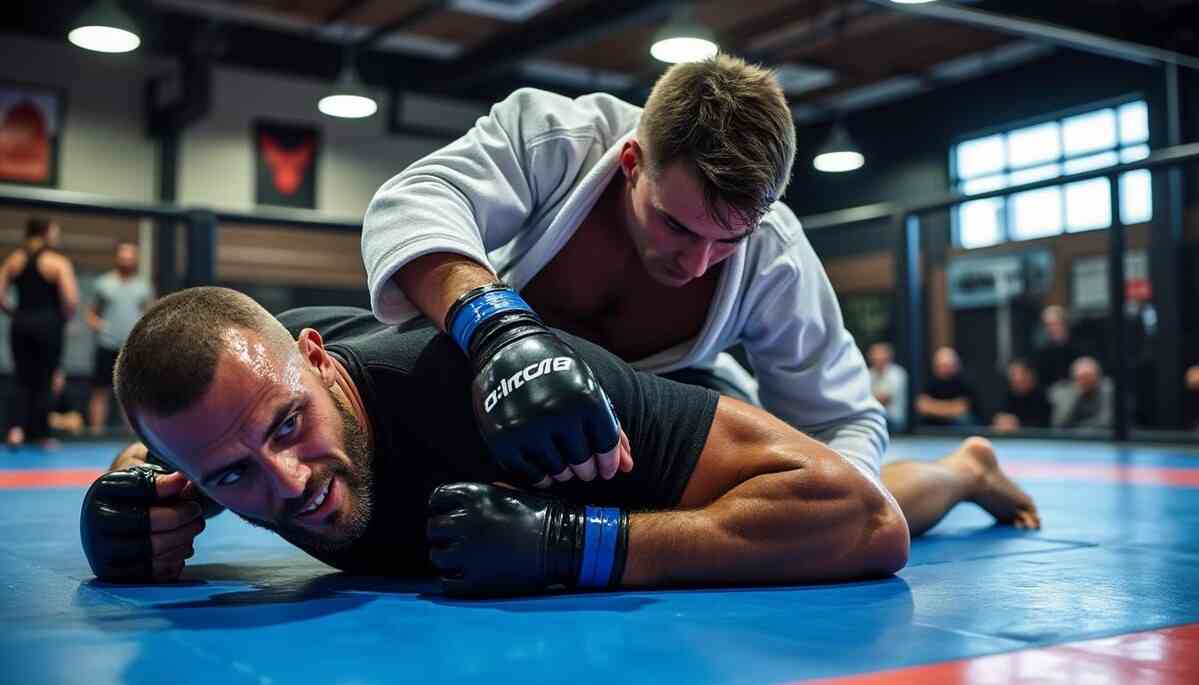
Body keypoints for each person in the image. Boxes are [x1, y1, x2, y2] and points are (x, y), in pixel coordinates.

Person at [80, 287, 1040, 594]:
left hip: (641, 434)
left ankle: (964, 466)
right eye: (233, 476)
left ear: (319, 363)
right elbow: (162, 459)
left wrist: (576, 544)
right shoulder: (227, 416)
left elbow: (859, 521)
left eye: (292, 426)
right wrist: (124, 506)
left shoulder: (463, 390)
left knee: (868, 491)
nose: (288, 483)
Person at [361, 54, 886, 491]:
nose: (697, 263)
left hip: (675, 412)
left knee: (790, 496)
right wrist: (500, 332)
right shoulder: (558, 137)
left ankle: (960, 472)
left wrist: (841, 503)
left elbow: (839, 418)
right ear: (632, 163)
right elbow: (413, 201)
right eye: (677, 226)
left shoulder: (776, 253)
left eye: (729, 239)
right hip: (514, 386)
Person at [0, 218, 78, 448]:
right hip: (49, 325)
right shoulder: (57, 262)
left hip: (21, 323)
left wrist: (15, 314)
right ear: (47, 233)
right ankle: (41, 434)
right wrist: (64, 318)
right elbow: (71, 299)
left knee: (21, 377)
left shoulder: (15, 259)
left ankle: (15, 431)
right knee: (46, 378)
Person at [86, 241, 153, 435]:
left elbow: (149, 313)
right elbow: (91, 313)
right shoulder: (103, 284)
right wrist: (98, 324)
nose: (126, 259)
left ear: (135, 259)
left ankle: (132, 436)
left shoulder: (143, 286)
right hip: (106, 344)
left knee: (130, 394)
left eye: (130, 256)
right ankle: (95, 434)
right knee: (100, 391)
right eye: (123, 255)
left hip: (130, 347)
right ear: (117, 257)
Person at [915, 347, 977, 427]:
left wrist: (933, 406)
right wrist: (950, 407)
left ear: (956, 365)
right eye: (941, 366)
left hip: (959, 426)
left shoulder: (965, 383)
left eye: (948, 366)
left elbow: (961, 408)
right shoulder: (929, 382)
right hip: (932, 425)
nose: (945, 370)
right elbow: (921, 405)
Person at [1050, 356, 1113, 430]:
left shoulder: (1107, 389)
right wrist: (1075, 395)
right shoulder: (1062, 392)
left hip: (1100, 436)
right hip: (1070, 438)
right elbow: (1059, 423)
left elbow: (1106, 421)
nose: (1085, 381)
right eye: (1081, 378)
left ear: (1097, 377)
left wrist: (1079, 429)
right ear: (1074, 378)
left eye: (1089, 377)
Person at [991, 358, 1051, 433]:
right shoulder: (1007, 395)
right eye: (1013, 374)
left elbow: (1043, 426)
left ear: (1031, 375)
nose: (1017, 378)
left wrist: (1017, 424)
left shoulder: (1043, 397)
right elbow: (998, 418)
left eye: (1022, 374)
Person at [1034, 305, 1081, 388]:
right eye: (1048, 325)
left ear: (1065, 323)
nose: (1052, 328)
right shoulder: (1043, 351)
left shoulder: (1080, 344)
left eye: (1055, 324)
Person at [868, 342, 908, 433]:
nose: (877, 358)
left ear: (888, 356)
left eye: (880, 354)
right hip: (873, 420)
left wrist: (869, 398)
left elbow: (885, 399)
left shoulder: (897, 373)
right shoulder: (868, 374)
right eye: (875, 355)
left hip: (893, 421)